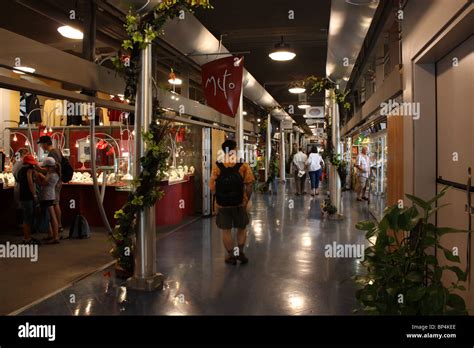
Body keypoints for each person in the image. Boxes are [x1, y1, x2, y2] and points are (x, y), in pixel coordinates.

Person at [210, 140, 255, 265]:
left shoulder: (217, 165)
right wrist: (246, 199)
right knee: (242, 227)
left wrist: (219, 197)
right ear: (234, 149)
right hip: (240, 203)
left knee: (226, 230)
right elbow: (249, 185)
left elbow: (212, 186)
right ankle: (240, 252)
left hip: (222, 204)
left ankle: (230, 256)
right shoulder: (242, 164)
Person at [37, 136, 64, 237]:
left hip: (53, 185)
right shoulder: (57, 150)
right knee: (55, 204)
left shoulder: (52, 154)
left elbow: (50, 170)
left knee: (54, 204)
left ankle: (57, 227)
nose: (40, 146)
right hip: (57, 182)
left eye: (41, 144)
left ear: (45, 144)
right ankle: (57, 227)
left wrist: (38, 170)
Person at [35, 157, 60, 244]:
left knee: (51, 217)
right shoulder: (54, 173)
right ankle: (51, 234)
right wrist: (40, 173)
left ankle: (55, 236)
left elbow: (43, 183)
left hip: (47, 196)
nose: (44, 168)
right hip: (50, 195)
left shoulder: (51, 175)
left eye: (45, 167)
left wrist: (37, 177)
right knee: (49, 216)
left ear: (48, 167)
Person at [17, 154, 40, 244]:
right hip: (28, 195)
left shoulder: (20, 171)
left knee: (26, 216)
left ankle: (27, 237)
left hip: (22, 194)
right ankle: (27, 238)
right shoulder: (29, 170)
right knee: (28, 217)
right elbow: (30, 183)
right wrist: (34, 194)